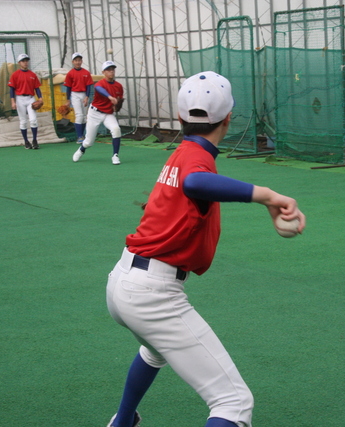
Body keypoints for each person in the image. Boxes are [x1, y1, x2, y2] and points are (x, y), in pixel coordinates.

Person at [105, 71, 306, 427]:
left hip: (123, 282)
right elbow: (197, 182)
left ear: (181, 118)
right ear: (228, 119)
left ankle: (122, 422)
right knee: (233, 402)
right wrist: (268, 196)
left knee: (154, 351)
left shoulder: (183, 151)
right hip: (152, 294)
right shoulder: (196, 161)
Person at [72, 60, 124, 165]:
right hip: (94, 113)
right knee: (89, 142)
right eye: (108, 70)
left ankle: (115, 155)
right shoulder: (100, 84)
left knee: (116, 129)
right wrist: (110, 97)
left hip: (108, 114)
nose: (111, 72)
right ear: (103, 72)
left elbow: (119, 100)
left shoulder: (118, 86)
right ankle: (82, 149)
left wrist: (117, 105)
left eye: (112, 70)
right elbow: (100, 90)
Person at [8, 53, 42, 149]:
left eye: (26, 60)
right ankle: (26, 141)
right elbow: (11, 89)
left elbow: (37, 88)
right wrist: (13, 102)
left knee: (33, 120)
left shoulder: (32, 74)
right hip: (20, 99)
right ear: (19, 63)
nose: (25, 62)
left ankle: (35, 140)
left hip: (31, 98)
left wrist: (40, 98)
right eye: (23, 61)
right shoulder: (15, 75)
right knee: (23, 121)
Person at [63, 52, 93, 143]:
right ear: (73, 62)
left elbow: (88, 86)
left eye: (79, 60)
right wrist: (68, 99)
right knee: (79, 115)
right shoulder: (70, 73)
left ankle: (82, 135)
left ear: (81, 61)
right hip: (74, 94)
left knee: (84, 116)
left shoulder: (86, 73)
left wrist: (87, 96)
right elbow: (68, 87)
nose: (78, 62)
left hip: (84, 94)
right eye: (76, 60)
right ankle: (79, 136)